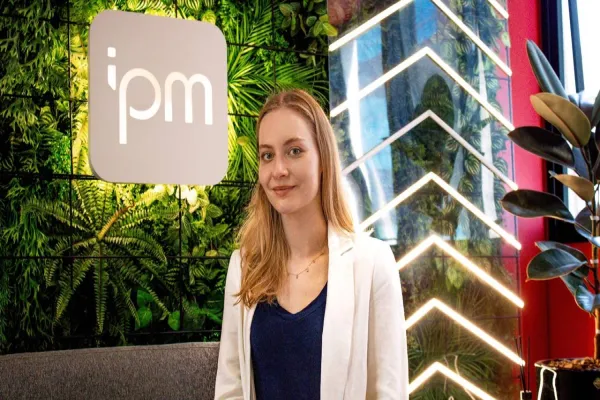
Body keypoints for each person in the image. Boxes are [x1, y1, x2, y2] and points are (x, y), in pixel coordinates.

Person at [214, 89, 409, 400]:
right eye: (267, 155)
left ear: (323, 160)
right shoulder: (244, 265)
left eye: (294, 151)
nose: (278, 170)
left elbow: (389, 392)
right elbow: (231, 388)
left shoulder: (372, 263)